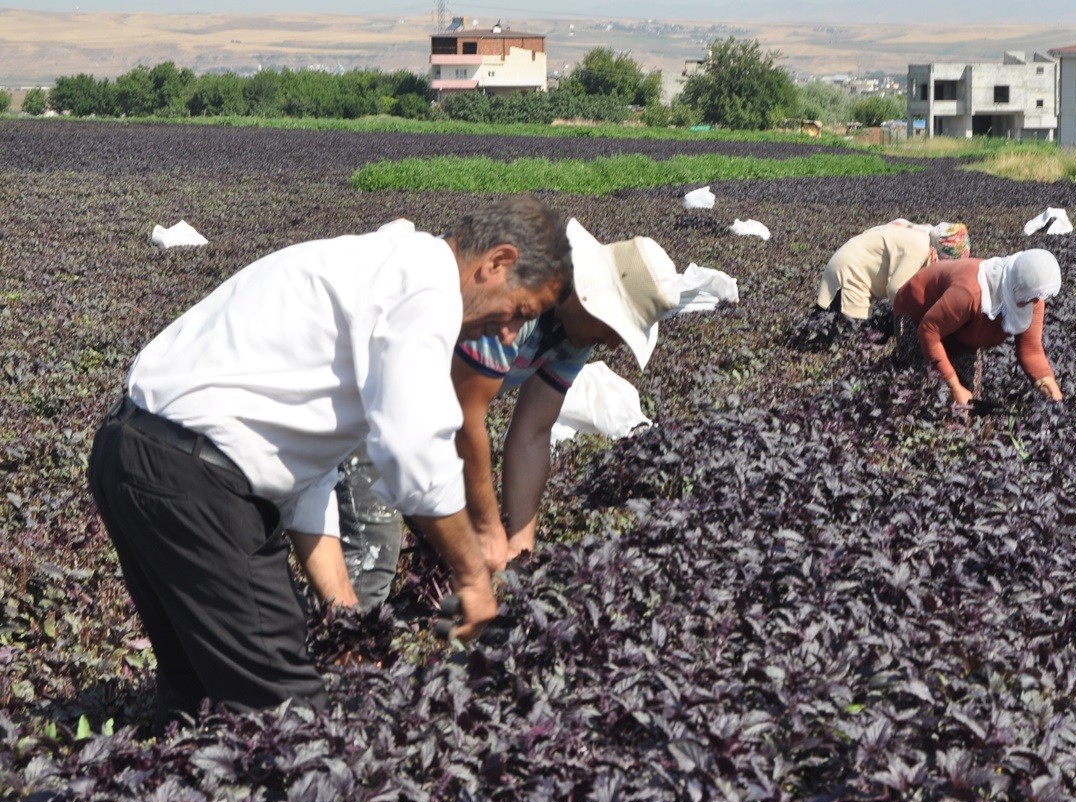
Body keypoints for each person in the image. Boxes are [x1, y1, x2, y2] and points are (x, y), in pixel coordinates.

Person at [87, 197, 573, 728]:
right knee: (289, 719)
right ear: (497, 262)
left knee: (198, 698)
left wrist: (344, 614)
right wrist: (472, 575)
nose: (508, 335)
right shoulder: (426, 291)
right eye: (520, 313)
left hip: (130, 456)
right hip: (191, 478)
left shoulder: (380, 269)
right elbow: (414, 452)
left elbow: (306, 480)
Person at [316, 218, 682, 607]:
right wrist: (490, 531)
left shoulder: (577, 332)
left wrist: (519, 544)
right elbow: (463, 418)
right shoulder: (516, 296)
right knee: (372, 555)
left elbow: (533, 434)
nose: (611, 344)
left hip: (419, 416)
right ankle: (343, 657)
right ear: (593, 297)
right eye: (616, 329)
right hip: (364, 394)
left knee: (453, 553)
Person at [893, 248, 1064, 409]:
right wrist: (952, 384)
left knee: (969, 399)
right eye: (1031, 298)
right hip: (918, 314)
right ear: (1016, 288)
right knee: (921, 389)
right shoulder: (970, 292)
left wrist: (1049, 387)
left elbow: (1030, 349)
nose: (1035, 302)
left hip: (961, 333)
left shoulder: (1031, 297)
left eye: (1037, 298)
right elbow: (929, 330)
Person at [816, 220, 935, 320]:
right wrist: (918, 316)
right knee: (854, 334)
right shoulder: (920, 247)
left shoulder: (919, 236)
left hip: (849, 265)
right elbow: (896, 290)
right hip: (851, 273)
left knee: (842, 329)